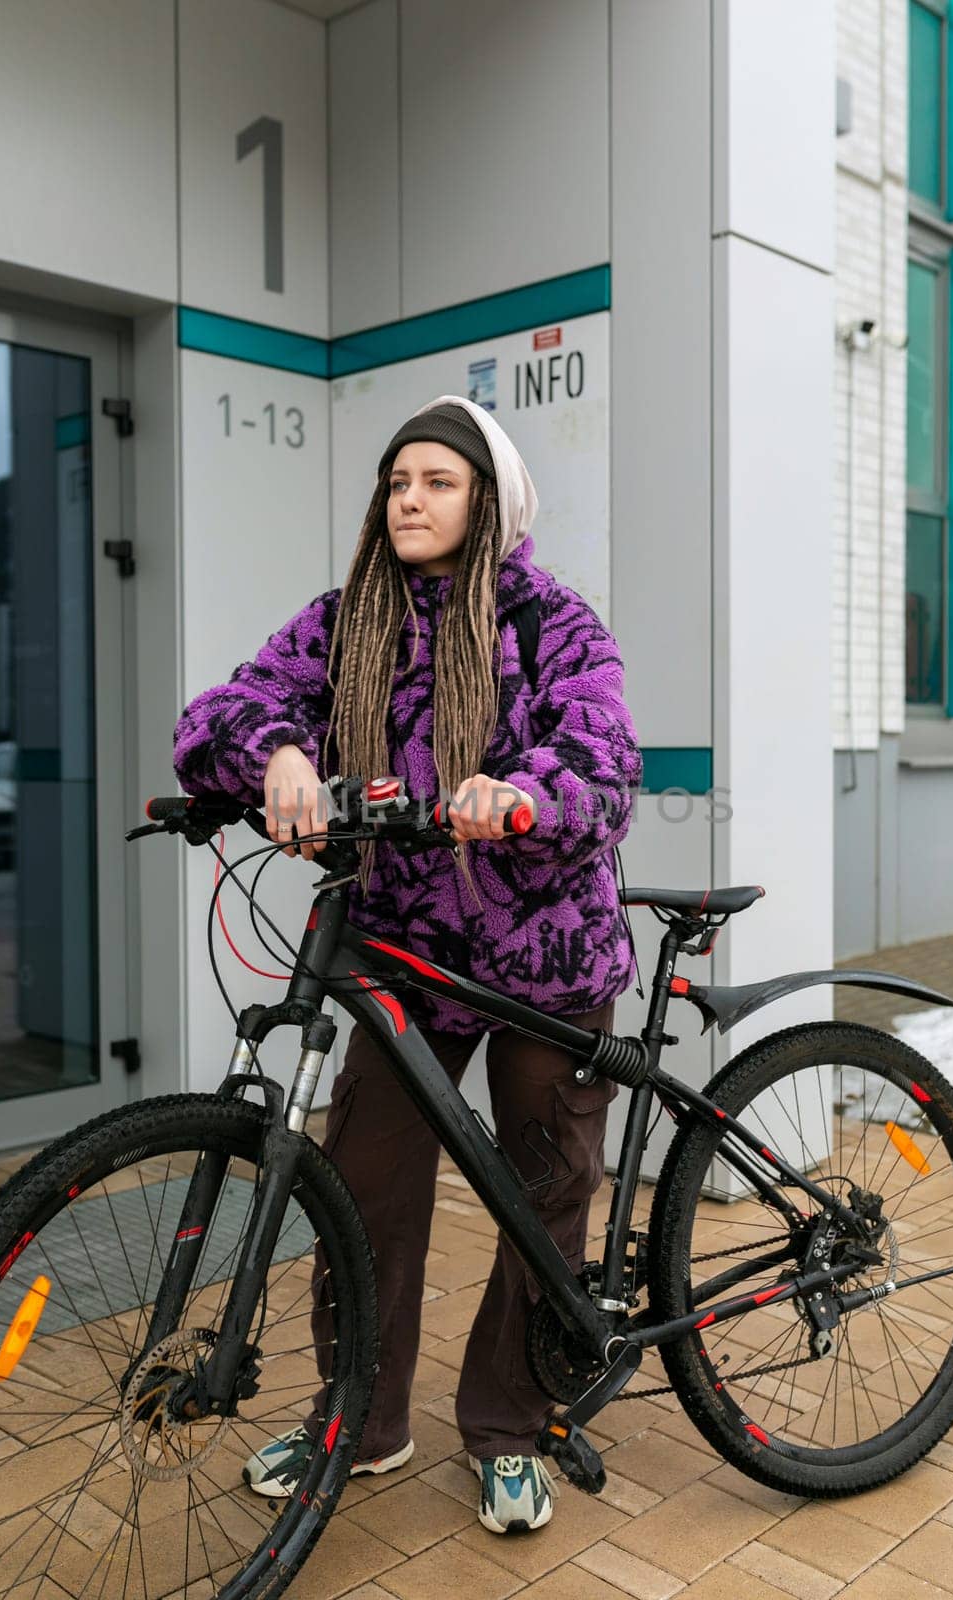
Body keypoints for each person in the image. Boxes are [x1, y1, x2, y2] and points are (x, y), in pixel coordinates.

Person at [171, 395, 642, 1534]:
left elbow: (601, 760)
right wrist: (273, 749)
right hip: (402, 949)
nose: (411, 500)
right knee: (365, 1185)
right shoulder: (348, 620)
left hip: (544, 956)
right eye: (397, 482)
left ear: (488, 500)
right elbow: (216, 714)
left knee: (541, 1190)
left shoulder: (548, 620)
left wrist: (519, 793)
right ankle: (362, 1419)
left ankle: (508, 1425)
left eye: (437, 480)